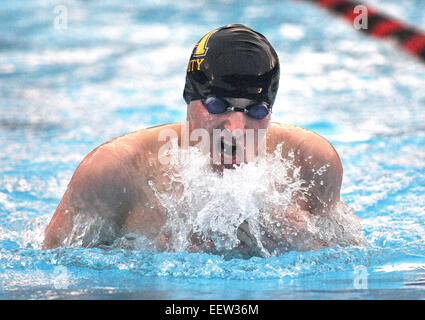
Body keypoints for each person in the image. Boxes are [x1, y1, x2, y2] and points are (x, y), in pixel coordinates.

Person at [43, 24, 343, 254]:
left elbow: (350, 260)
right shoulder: (116, 170)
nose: (236, 128)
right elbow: (54, 274)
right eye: (217, 105)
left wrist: (310, 243)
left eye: (255, 109)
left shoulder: (309, 163)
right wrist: (136, 256)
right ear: (190, 100)